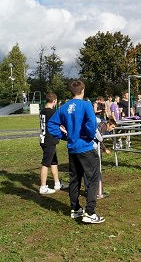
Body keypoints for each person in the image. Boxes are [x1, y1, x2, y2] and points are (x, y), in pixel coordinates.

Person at [47, 80, 105, 224]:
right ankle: (90, 212)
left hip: (72, 149)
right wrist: (89, 136)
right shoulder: (86, 105)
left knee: (75, 179)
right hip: (85, 147)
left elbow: (51, 124)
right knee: (92, 179)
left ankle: (75, 209)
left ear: (71, 92)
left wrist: (65, 136)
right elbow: (91, 124)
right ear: (83, 91)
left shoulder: (63, 107)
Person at [39, 92, 68, 195]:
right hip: (49, 140)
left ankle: (57, 184)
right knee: (46, 163)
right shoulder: (52, 112)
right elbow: (61, 124)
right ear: (54, 101)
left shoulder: (43, 111)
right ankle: (43, 187)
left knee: (54, 162)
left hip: (44, 139)